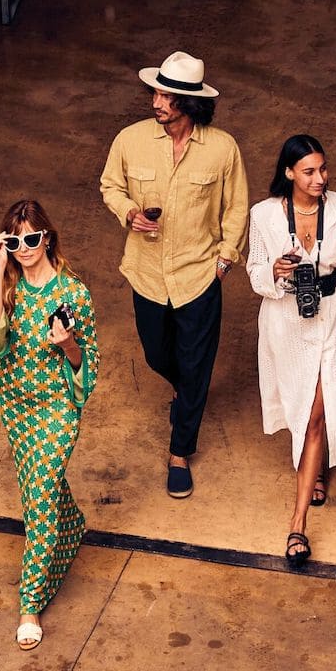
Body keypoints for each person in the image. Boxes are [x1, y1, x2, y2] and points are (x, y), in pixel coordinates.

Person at [99, 51, 248, 500]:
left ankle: (180, 452)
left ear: (190, 103)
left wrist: (223, 261)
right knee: (157, 355)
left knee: (197, 366)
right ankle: (187, 397)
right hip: (146, 273)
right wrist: (128, 213)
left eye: (167, 95)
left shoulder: (223, 148)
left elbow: (236, 207)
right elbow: (111, 185)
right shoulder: (131, 139)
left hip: (199, 276)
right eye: (156, 91)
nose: (156, 101)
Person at [0, 198, 99, 650]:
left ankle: (29, 604)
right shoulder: (0, 284)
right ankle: (74, 525)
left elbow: (90, 367)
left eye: (32, 239)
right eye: (15, 240)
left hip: (58, 406)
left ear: (48, 238)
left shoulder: (74, 294)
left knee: (39, 496)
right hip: (16, 404)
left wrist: (69, 346)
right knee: (38, 486)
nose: (25, 248)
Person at [244, 135, 336, 567]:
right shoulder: (263, 214)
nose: (320, 179)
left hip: (331, 316)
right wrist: (274, 272)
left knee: (318, 411)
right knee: (301, 407)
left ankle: (297, 525)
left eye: (323, 169)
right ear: (288, 173)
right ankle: (316, 470)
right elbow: (254, 273)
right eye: (309, 171)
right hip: (284, 322)